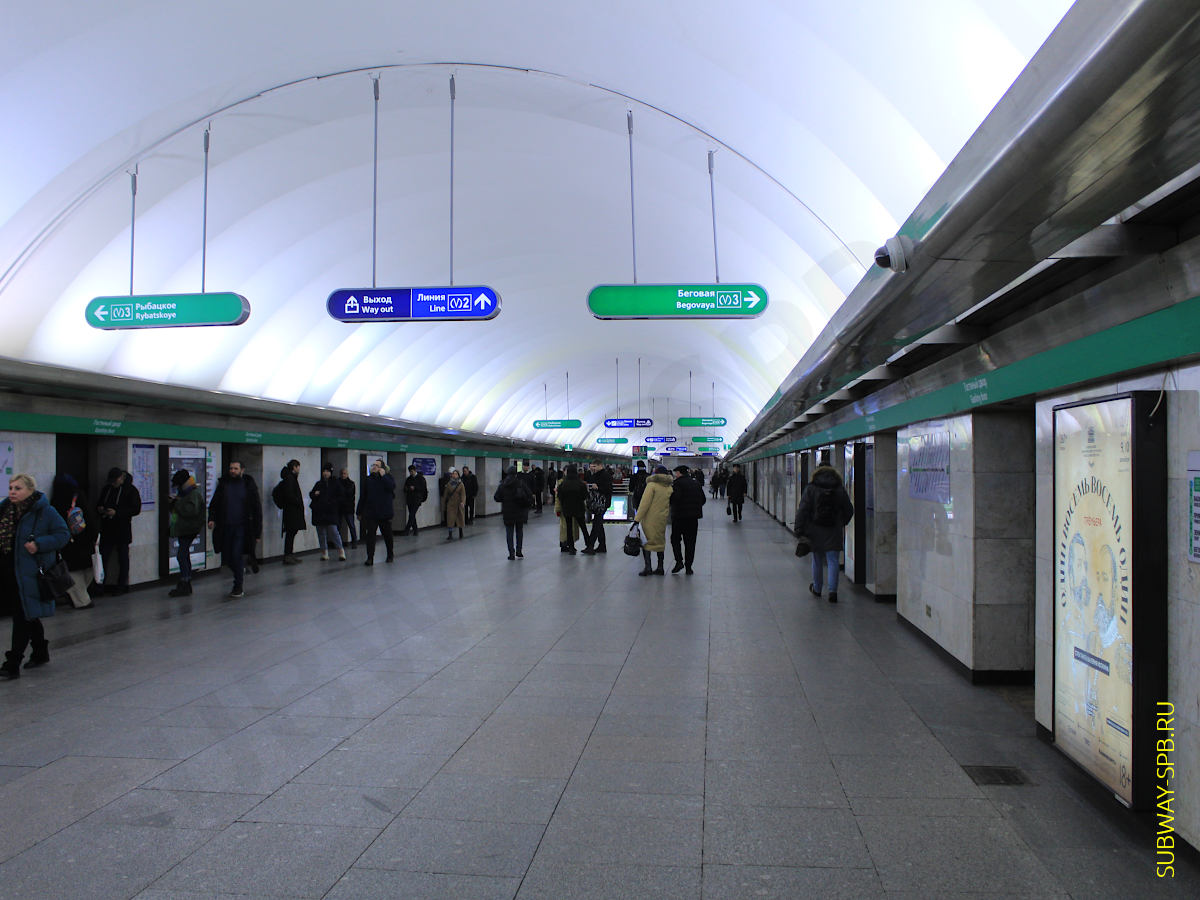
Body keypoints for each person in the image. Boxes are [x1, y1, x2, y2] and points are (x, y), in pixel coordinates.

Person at [0, 474, 70, 678]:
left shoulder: (45, 512)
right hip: (7, 571)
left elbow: (63, 535)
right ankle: (40, 650)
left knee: (22, 616)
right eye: (11, 488)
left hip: (30, 573)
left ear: (31, 491)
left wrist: (39, 544)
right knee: (26, 614)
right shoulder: (5, 510)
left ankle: (12, 663)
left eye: (18, 488)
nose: (13, 492)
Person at [795, 463, 854, 603]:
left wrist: (799, 529)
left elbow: (802, 509)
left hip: (815, 530)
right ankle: (832, 592)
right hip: (834, 530)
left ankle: (817, 588)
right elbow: (849, 510)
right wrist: (841, 522)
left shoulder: (811, 488)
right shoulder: (839, 489)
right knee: (833, 561)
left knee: (817, 560)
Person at [208, 460, 262, 599]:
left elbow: (257, 509)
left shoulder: (248, 486)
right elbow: (214, 503)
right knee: (227, 557)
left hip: (242, 527)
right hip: (225, 527)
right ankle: (239, 570)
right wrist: (212, 518)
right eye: (231, 468)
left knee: (236, 554)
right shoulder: (224, 485)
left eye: (235, 468)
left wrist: (257, 531)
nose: (232, 471)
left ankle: (238, 585)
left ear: (242, 470)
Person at [49, 473, 96, 609]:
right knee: (86, 569)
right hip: (83, 539)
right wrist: (94, 535)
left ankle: (76, 595)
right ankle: (82, 600)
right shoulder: (78, 495)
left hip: (67, 541)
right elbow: (89, 517)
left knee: (73, 570)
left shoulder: (55, 500)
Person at [95, 466, 141, 594]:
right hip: (107, 527)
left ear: (121, 478)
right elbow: (99, 503)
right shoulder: (107, 489)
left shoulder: (130, 490)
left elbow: (136, 509)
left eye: (116, 481)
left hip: (122, 528)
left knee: (123, 558)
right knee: (104, 557)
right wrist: (101, 509)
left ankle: (122, 585)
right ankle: (100, 584)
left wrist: (117, 513)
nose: (114, 484)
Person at [167, 469, 207, 596]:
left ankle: (185, 581)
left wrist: (175, 503)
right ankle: (186, 581)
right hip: (184, 528)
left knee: (181, 555)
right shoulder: (185, 492)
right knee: (183, 555)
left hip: (189, 528)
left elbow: (190, 511)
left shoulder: (192, 493)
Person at [633, 465, 673, 576]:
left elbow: (644, 504)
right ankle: (660, 567)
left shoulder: (651, 485)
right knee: (660, 542)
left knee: (646, 542)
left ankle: (648, 567)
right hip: (662, 518)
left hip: (650, 518)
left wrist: (637, 519)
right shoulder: (669, 487)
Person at [668, 465, 706, 575]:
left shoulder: (677, 484)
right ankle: (689, 567)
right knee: (690, 542)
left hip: (679, 517)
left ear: (679, 473)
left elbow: (675, 499)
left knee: (675, 540)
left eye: (676, 473)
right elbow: (703, 500)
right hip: (693, 518)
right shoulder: (696, 483)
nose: (675, 475)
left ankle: (679, 561)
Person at [358, 458, 396, 565]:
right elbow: (363, 496)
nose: (374, 467)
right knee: (370, 536)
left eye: (377, 465)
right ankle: (370, 557)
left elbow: (391, 487)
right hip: (371, 513)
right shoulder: (368, 480)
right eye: (373, 465)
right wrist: (359, 511)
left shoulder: (388, 477)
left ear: (382, 468)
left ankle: (390, 554)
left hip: (384, 513)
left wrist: (383, 476)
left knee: (387, 535)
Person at [494, 465, 533, 560]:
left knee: (509, 532)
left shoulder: (503, 484)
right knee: (519, 531)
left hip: (508, 512)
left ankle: (511, 553)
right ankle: (519, 551)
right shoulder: (520, 483)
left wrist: (505, 499)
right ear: (516, 473)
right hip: (519, 511)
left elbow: (496, 497)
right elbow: (529, 495)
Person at [309, 463, 346, 561]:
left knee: (334, 532)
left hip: (331, 512)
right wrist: (314, 494)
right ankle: (324, 552)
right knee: (321, 533)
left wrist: (333, 503)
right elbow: (311, 494)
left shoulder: (336, 483)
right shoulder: (319, 484)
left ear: (331, 472)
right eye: (324, 471)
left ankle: (341, 550)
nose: (325, 473)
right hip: (319, 512)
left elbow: (341, 496)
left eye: (327, 471)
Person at [273, 460, 306, 564]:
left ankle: (289, 554)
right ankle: (288, 555)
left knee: (292, 532)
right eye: (298, 467)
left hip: (291, 511)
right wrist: (297, 502)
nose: (299, 469)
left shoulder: (289, 478)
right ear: (295, 467)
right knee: (291, 533)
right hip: (292, 511)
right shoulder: (290, 478)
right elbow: (289, 494)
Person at [555, 464, 590, 554]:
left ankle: (571, 548)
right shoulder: (580, 483)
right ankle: (589, 545)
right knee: (583, 527)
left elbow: (559, 496)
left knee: (569, 528)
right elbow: (585, 496)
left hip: (567, 509)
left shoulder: (563, 484)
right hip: (579, 508)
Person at [581, 460, 611, 555]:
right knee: (599, 524)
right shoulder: (594, 475)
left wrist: (598, 487)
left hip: (602, 503)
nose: (592, 468)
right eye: (591, 466)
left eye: (594, 466)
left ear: (600, 465)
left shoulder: (606, 475)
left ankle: (590, 546)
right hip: (597, 503)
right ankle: (602, 546)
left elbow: (608, 489)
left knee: (596, 523)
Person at [402, 465, 428, 535]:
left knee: (412, 514)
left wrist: (415, 488)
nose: (411, 473)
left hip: (417, 499)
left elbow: (423, 488)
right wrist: (408, 489)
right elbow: (405, 488)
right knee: (412, 515)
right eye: (410, 472)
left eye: (412, 471)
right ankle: (415, 530)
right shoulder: (409, 479)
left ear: (415, 470)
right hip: (410, 499)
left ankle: (407, 530)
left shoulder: (421, 478)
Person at [442, 469, 466, 541]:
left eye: (456, 474)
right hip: (451, 504)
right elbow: (445, 495)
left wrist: (463, 502)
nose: (454, 475)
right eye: (453, 474)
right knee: (450, 519)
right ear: (451, 475)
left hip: (459, 504)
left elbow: (463, 494)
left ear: (458, 475)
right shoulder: (449, 484)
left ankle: (461, 533)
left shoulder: (461, 484)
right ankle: (450, 534)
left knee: (460, 518)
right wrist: (444, 504)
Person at [338, 468, 357, 548]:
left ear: (347, 474)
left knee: (351, 525)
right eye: (342, 473)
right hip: (342, 507)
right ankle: (339, 542)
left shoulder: (351, 484)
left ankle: (354, 542)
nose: (343, 475)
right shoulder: (349, 483)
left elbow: (349, 494)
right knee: (338, 526)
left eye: (345, 473)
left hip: (347, 507)